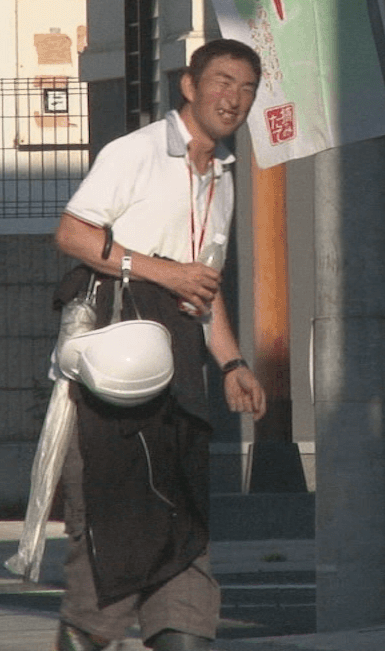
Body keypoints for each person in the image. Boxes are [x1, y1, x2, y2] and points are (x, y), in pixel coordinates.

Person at [51, 37, 269, 651]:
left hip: (181, 388)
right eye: (223, 81)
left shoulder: (222, 175)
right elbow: (71, 233)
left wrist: (230, 360)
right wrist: (163, 270)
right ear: (190, 86)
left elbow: (204, 282)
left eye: (248, 88)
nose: (235, 97)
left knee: (185, 558)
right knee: (104, 571)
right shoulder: (137, 153)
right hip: (110, 391)